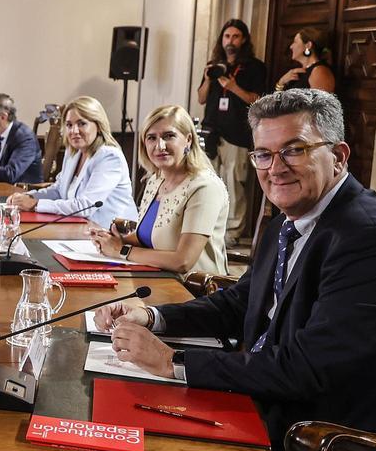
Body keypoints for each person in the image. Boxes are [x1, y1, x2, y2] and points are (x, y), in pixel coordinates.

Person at [96, 89, 376, 451]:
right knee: (121, 442)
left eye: (294, 149)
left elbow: (304, 370)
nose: (276, 167)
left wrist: (171, 361)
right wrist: (153, 316)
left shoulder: (373, 240)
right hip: (272, 415)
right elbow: (238, 304)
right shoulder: (287, 222)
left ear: (338, 155)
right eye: (264, 153)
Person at [90, 105, 228, 274]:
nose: (160, 145)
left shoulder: (205, 187)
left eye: (169, 136)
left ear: (188, 139)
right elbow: (148, 237)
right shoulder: (155, 180)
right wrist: (113, 240)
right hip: (156, 277)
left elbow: (182, 261)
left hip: (195, 291)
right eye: (151, 138)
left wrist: (122, 250)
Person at [6, 96, 136, 228]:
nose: (74, 131)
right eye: (69, 125)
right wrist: (29, 197)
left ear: (98, 125)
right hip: (79, 228)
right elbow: (59, 190)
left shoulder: (109, 157)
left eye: (82, 124)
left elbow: (85, 206)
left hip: (112, 235)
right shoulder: (73, 152)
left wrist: (35, 204)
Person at [197, 19, 267, 245]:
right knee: (210, 182)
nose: (230, 41)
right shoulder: (214, 65)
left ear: (244, 39)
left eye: (235, 36)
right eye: (227, 36)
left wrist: (234, 87)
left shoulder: (254, 67)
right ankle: (211, 227)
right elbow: (201, 97)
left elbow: (258, 100)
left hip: (237, 135)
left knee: (234, 184)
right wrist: (209, 79)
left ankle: (233, 232)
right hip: (211, 134)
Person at [275, 27, 336, 94]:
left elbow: (323, 103)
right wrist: (281, 82)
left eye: (295, 42)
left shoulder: (319, 71)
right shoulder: (298, 71)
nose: (291, 46)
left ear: (308, 45)